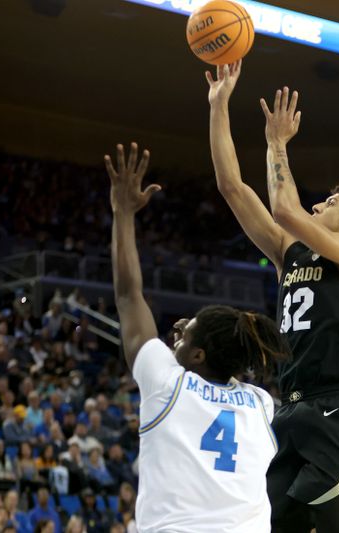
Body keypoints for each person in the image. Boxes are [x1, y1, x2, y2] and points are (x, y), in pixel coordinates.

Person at [207, 61, 339, 533]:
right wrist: (218, 105)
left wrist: (276, 143)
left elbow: (284, 208)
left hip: (336, 410)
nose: (317, 204)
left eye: (329, 204)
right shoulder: (292, 253)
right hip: (288, 406)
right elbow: (231, 186)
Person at [104, 142, 290, 532]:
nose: (175, 335)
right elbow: (232, 364)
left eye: (183, 335)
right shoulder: (259, 404)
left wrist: (123, 214)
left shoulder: (167, 383)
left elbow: (127, 295)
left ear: (200, 355)